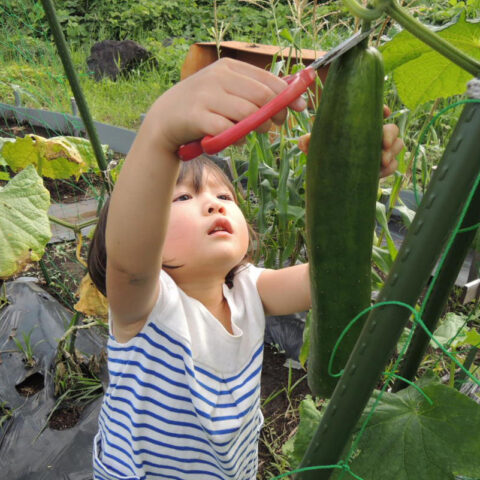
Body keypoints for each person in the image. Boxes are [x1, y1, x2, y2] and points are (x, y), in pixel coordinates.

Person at [87, 58, 404, 480]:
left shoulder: (249, 290)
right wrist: (159, 130)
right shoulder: (145, 306)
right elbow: (130, 258)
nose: (215, 203)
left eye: (225, 195)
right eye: (183, 198)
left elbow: (333, 272)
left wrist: (352, 177)